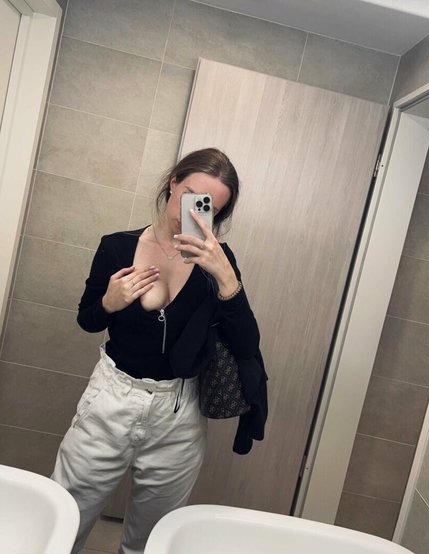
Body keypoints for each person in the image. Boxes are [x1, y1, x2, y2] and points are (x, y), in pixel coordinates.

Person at [51, 148, 267, 554]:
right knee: (65, 522)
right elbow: (87, 319)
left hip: (178, 412)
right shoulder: (117, 247)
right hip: (113, 397)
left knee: (151, 541)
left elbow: (246, 344)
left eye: (209, 207)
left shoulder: (217, 263)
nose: (194, 212)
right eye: (189, 196)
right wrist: (109, 303)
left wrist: (226, 278)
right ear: (172, 183)